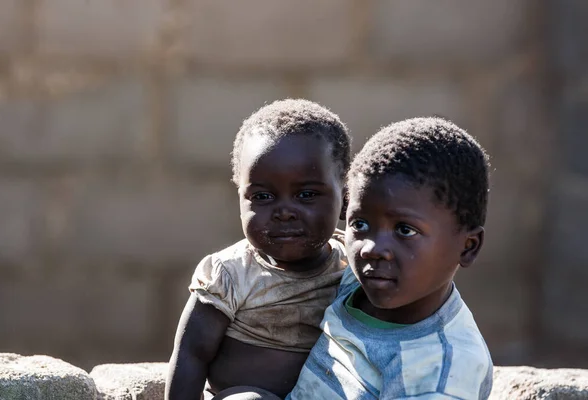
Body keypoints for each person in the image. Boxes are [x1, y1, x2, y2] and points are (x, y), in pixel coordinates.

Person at [287, 117, 493, 400]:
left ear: (468, 247)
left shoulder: (439, 374)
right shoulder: (349, 276)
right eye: (359, 225)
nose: (371, 248)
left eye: (405, 230)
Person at [165, 99, 352, 400]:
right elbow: (191, 354)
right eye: (263, 196)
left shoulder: (352, 266)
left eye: (306, 194)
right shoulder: (230, 274)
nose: (285, 212)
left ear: (345, 197)